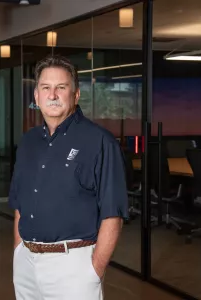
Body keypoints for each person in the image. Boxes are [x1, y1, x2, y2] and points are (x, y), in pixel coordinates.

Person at [9, 55, 129, 300]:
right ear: (36, 96)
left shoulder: (99, 142)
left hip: (73, 268)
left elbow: (113, 214)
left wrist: (94, 270)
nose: (52, 95)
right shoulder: (28, 142)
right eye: (46, 88)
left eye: (61, 88)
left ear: (75, 95)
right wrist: (19, 250)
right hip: (26, 265)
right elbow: (20, 204)